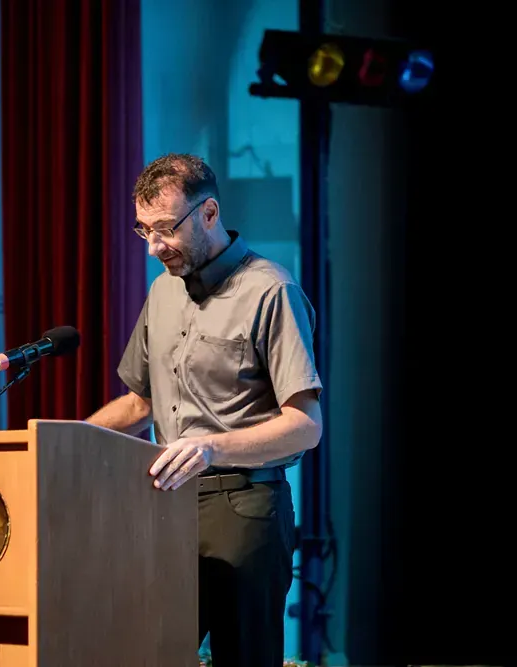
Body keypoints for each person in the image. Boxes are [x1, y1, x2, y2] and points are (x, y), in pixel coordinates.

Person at [86, 153, 323, 667]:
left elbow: (305, 426)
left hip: (244, 509)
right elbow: (141, 402)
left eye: (165, 229)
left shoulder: (271, 291)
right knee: (146, 653)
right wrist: (70, 438)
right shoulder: (162, 291)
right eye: (143, 230)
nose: (153, 247)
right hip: (165, 507)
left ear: (209, 213)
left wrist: (211, 447)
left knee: (243, 656)